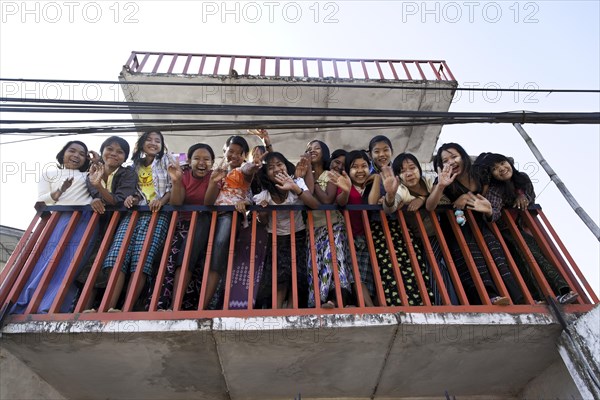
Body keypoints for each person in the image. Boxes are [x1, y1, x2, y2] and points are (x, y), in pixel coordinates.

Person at [475, 152, 578, 305]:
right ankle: (538, 298)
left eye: (502, 163)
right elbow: (494, 211)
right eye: (495, 168)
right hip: (503, 232)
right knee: (520, 264)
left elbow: (531, 196)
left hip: (519, 229)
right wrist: (490, 211)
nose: (502, 169)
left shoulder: (522, 179)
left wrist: (524, 198)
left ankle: (563, 291)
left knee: (538, 257)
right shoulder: (495, 189)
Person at [426, 143, 523, 305]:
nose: (451, 162)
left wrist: (472, 200)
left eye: (454, 156)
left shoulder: (480, 173)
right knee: (471, 262)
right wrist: (441, 186)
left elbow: (486, 197)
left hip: (481, 222)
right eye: (445, 160)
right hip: (458, 228)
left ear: (463, 157)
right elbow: (430, 206)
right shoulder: (443, 180)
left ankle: (518, 298)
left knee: (497, 258)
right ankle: (488, 297)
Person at [12, 141, 95, 314]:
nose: (76, 155)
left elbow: (102, 182)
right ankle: (30, 302)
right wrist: (58, 192)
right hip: (60, 219)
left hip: (84, 222)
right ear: (62, 153)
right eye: (72, 151)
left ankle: (54, 305)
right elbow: (42, 200)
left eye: (81, 153)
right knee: (48, 261)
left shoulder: (89, 175)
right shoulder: (50, 174)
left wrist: (97, 160)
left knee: (71, 264)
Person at [101, 131, 173, 312]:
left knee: (142, 258)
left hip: (157, 213)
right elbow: (135, 191)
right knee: (116, 255)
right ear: (141, 144)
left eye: (158, 140)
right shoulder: (133, 166)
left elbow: (174, 187)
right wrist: (131, 198)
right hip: (134, 212)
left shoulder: (166, 160)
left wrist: (161, 201)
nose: (153, 143)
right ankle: (108, 307)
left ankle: (126, 309)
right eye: (149, 139)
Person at [383, 152, 459, 305]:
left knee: (454, 267)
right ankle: (445, 304)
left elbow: (444, 200)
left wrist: (422, 199)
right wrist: (390, 195)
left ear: (419, 168)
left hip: (447, 233)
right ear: (398, 176)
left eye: (412, 168)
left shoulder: (430, 180)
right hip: (423, 238)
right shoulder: (401, 189)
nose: (409, 173)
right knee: (434, 269)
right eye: (403, 171)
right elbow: (389, 208)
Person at [368, 136, 435, 306]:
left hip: (403, 226)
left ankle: (421, 303)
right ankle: (395, 305)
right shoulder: (368, 173)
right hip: (379, 227)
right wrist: (384, 188)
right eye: (377, 151)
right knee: (387, 268)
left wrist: (421, 198)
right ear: (370, 155)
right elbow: (378, 203)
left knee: (413, 264)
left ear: (391, 151)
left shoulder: (399, 172)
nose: (382, 154)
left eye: (385, 150)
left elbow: (420, 189)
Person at [254, 152, 320, 308]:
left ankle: (292, 308)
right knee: (279, 275)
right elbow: (262, 221)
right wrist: (263, 212)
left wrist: (295, 187)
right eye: (271, 167)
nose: (276, 169)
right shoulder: (264, 195)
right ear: (266, 174)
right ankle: (276, 310)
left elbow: (314, 204)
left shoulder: (297, 183)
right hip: (276, 237)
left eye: (280, 164)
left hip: (298, 234)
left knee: (297, 273)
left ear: (286, 166)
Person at [154, 143, 215, 311]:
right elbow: (176, 203)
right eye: (197, 158)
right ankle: (169, 306)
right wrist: (177, 181)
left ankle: (190, 308)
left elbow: (209, 204)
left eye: (206, 159)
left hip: (205, 227)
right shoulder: (184, 175)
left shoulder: (215, 177)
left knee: (199, 267)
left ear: (213, 162)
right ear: (189, 160)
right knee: (174, 264)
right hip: (182, 226)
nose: (201, 162)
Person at [203, 135, 261, 310]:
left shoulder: (242, 169)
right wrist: (214, 181)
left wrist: (254, 164)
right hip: (212, 215)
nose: (234, 155)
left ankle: (205, 306)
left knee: (219, 252)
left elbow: (248, 171)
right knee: (204, 255)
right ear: (224, 152)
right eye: (231, 151)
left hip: (229, 215)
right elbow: (207, 202)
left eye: (239, 152)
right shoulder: (217, 171)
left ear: (244, 156)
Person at [305, 140, 354, 308]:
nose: (312, 151)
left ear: (324, 152)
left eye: (317, 148)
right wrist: (307, 173)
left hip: (332, 224)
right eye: (309, 149)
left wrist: (313, 179)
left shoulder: (330, 174)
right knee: (317, 265)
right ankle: (320, 302)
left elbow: (327, 199)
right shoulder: (303, 174)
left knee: (335, 262)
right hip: (312, 228)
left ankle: (338, 300)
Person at [328, 150, 379, 307]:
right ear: (348, 170)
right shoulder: (344, 182)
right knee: (355, 275)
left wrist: (376, 177)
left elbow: (372, 204)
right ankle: (370, 309)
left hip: (368, 238)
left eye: (364, 166)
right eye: (355, 166)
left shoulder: (371, 186)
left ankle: (368, 306)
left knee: (368, 277)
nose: (360, 170)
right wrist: (346, 190)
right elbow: (341, 202)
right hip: (350, 237)